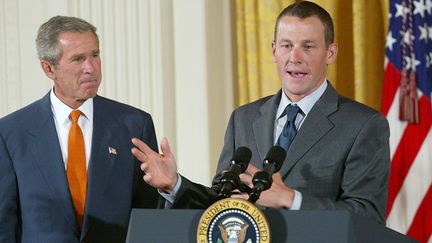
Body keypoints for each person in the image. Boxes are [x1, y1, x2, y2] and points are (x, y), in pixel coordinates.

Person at [131, 1, 390, 224]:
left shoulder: (364, 125)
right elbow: (222, 204)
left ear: (330, 52)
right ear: (274, 50)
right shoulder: (243, 118)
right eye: (287, 45)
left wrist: (291, 199)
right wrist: (174, 184)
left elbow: (367, 216)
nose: (295, 57)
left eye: (308, 46)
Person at [0, 16, 160, 242]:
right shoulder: (11, 133)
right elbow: (5, 225)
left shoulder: (134, 125)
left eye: (94, 55)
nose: (90, 68)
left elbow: (148, 216)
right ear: (48, 68)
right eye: (78, 59)